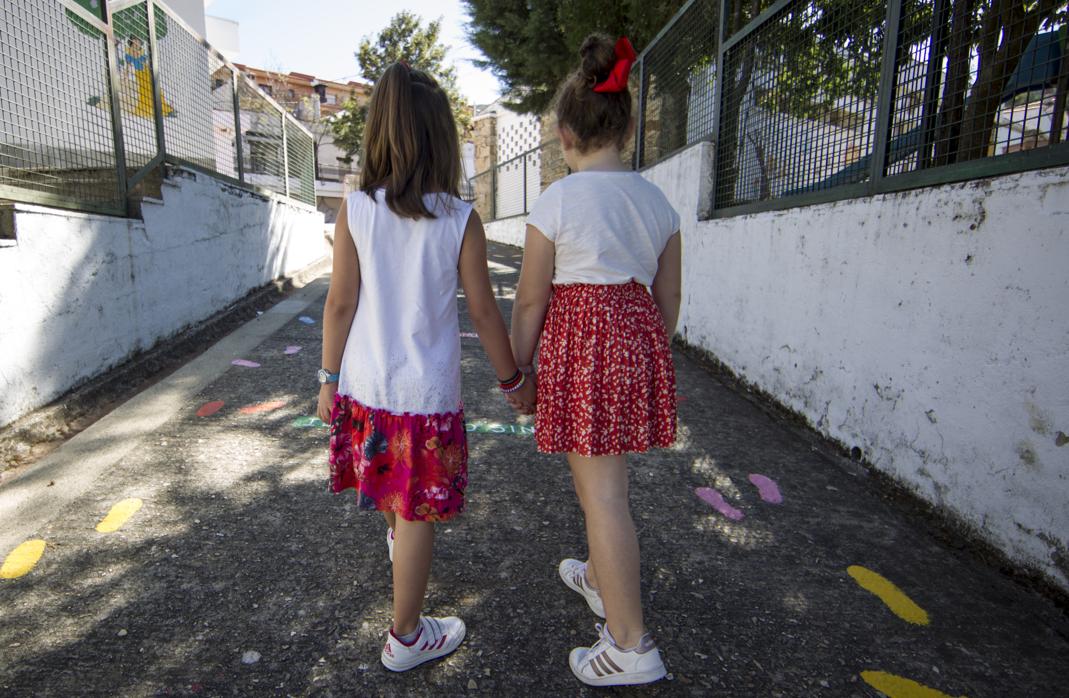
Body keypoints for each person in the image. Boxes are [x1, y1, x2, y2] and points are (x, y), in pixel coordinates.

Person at [316, 62, 535, 673]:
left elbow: (339, 303)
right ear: (442, 138)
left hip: (364, 387)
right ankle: (406, 636)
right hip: (425, 397)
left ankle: (398, 549)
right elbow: (487, 313)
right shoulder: (461, 219)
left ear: (379, 132)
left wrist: (327, 382)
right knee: (417, 513)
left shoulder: (353, 209)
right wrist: (514, 381)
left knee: (393, 497)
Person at [509, 34, 682, 687]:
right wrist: (641, 355)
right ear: (628, 128)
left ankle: (630, 643)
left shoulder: (557, 199)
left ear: (562, 135)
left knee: (603, 494)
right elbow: (668, 298)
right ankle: (595, 570)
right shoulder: (657, 201)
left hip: (579, 346)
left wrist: (519, 369)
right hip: (635, 341)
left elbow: (529, 300)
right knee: (603, 484)